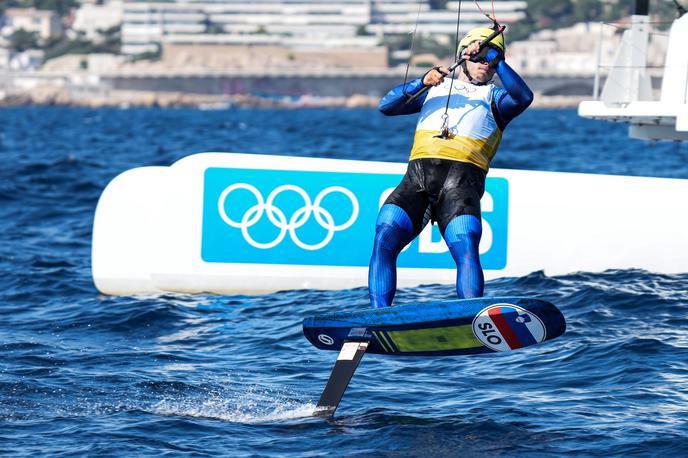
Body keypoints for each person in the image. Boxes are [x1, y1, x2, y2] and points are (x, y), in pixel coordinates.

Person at [368, 26, 533, 308]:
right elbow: (387, 106)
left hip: (461, 189)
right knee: (385, 235)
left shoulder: (497, 100)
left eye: (491, 60)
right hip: (416, 183)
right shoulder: (434, 89)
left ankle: (472, 316)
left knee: (466, 245)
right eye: (479, 58)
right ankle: (378, 315)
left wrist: (497, 57)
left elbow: (524, 97)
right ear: (463, 58)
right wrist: (421, 81)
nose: (485, 64)